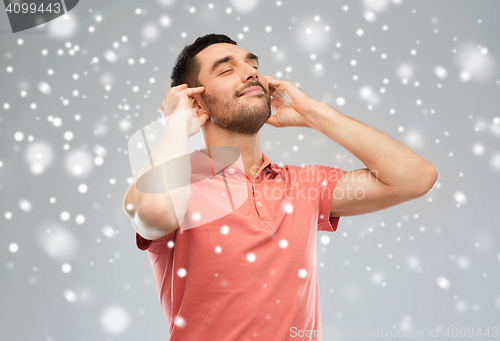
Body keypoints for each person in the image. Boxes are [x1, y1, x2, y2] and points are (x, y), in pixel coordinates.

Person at [123, 33, 438, 341]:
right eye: (226, 69)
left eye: (252, 65)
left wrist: (312, 113)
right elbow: (153, 212)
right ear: (196, 99)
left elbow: (416, 178)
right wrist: (178, 120)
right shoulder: (176, 186)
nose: (251, 73)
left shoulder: (303, 185)